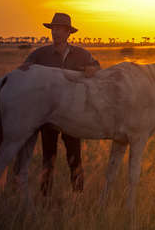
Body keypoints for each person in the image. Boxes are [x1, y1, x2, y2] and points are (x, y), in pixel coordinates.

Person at [17, 12, 101, 196]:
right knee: (48, 158)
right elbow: (24, 70)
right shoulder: (40, 54)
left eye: (60, 30)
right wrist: (23, 70)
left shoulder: (81, 54)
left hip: (72, 116)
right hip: (47, 116)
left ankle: (77, 196)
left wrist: (91, 68)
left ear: (68, 33)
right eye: (53, 29)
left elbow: (97, 67)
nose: (56, 33)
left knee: (75, 157)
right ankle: (45, 195)